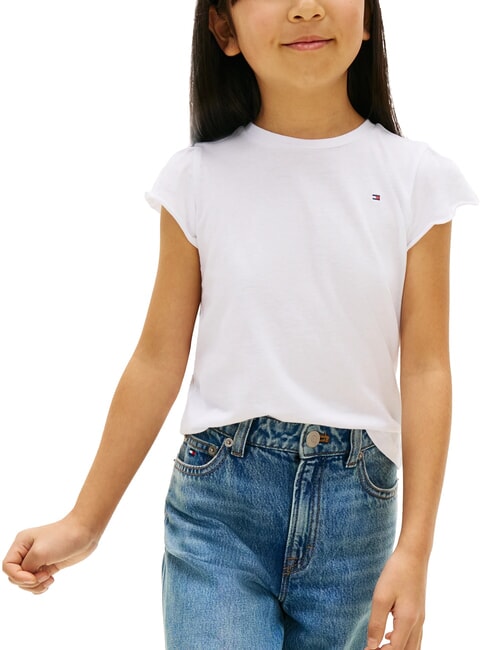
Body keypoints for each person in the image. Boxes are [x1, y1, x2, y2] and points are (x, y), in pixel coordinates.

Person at [2, 0, 478, 648]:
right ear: (224, 28)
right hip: (219, 506)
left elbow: (426, 368)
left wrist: (415, 550)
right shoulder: (197, 178)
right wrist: (86, 520)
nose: (306, 9)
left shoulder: (416, 178)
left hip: (356, 514)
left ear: (367, 17)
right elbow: (157, 359)